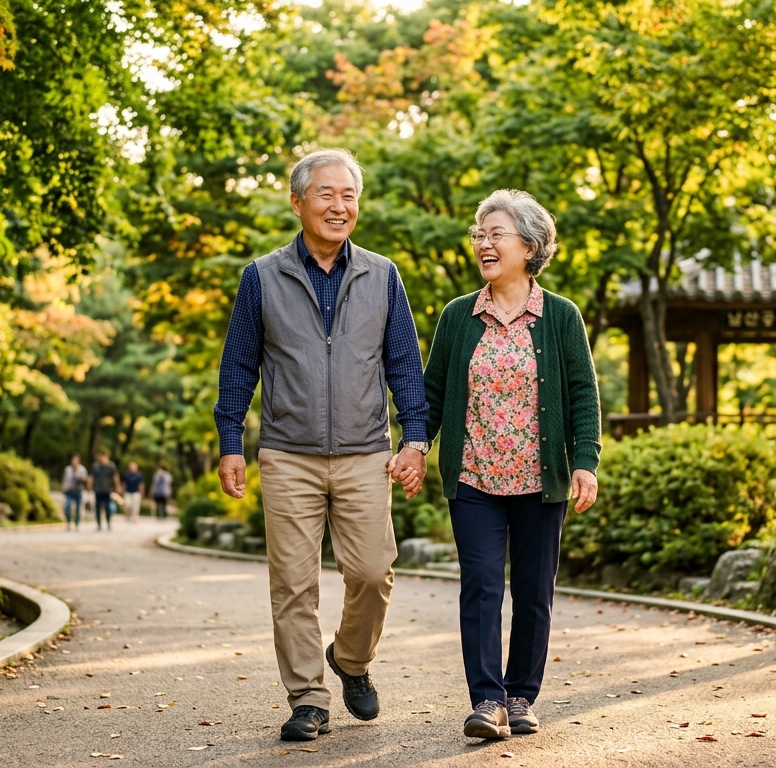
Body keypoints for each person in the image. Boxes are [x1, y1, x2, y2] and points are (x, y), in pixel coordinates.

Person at [214, 148, 429, 742]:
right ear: (298, 202)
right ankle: (308, 698)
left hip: (365, 451)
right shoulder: (262, 276)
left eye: (349, 196)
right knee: (293, 583)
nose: (340, 206)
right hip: (287, 452)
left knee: (372, 572)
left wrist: (416, 437)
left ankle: (351, 661)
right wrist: (231, 440)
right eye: (327, 194)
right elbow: (239, 365)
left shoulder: (382, 275)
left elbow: (405, 366)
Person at [400, 189, 600, 740]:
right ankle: (486, 700)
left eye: (496, 235)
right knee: (482, 585)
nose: (484, 244)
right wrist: (415, 443)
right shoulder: (459, 316)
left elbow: (583, 393)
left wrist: (585, 462)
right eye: (479, 235)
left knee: (534, 591)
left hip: (541, 481)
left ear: (530, 246)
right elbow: (432, 390)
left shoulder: (561, 316)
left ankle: (521, 695)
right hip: (475, 477)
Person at [89, 451, 117, 530]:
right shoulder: (95, 466)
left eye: (103, 456)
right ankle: (99, 524)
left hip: (107, 490)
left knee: (108, 507)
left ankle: (108, 522)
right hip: (97, 490)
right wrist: (89, 485)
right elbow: (91, 477)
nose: (101, 458)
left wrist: (117, 486)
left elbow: (115, 476)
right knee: (97, 508)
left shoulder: (111, 466)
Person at [61, 453, 88, 531]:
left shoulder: (82, 469)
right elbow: (64, 479)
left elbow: (86, 480)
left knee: (78, 508)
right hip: (69, 490)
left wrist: (82, 479)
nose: (74, 461)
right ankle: (68, 522)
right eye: (73, 459)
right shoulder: (67, 469)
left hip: (78, 491)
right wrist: (63, 488)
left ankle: (77, 523)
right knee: (67, 506)